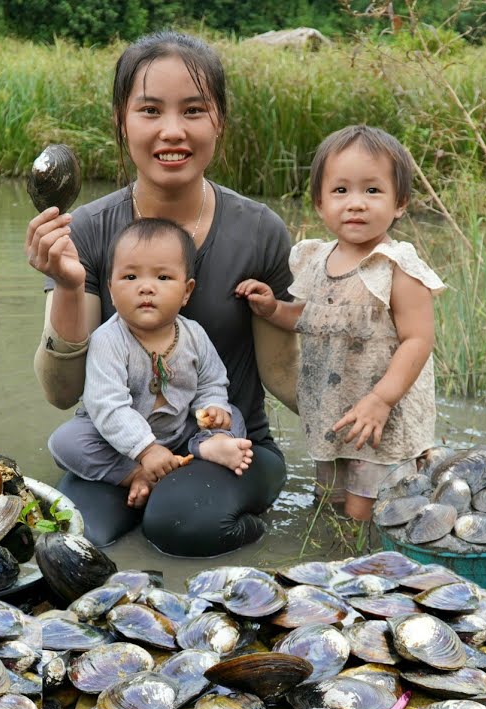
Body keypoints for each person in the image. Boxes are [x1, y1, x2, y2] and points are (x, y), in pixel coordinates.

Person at [25, 31, 298, 555]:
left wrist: (367, 412)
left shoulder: (259, 230)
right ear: (121, 121)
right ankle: (143, 478)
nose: (172, 131)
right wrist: (67, 285)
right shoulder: (85, 229)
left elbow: (282, 372)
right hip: (120, 443)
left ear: (219, 121)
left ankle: (230, 515)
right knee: (75, 541)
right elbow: (62, 393)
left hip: (226, 446)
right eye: (150, 110)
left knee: (178, 526)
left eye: (194, 110)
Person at [236, 125, 445, 521]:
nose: (356, 204)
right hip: (333, 416)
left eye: (372, 191)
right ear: (319, 203)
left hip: (382, 419)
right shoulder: (317, 259)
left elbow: (418, 340)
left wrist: (381, 400)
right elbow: (317, 320)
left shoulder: (398, 267)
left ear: (399, 203)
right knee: (328, 506)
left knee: (365, 512)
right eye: (340, 191)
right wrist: (274, 310)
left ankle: (368, 569)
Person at [46, 218, 255, 509]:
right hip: (118, 440)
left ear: (186, 291)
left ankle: (208, 446)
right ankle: (135, 475)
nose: (146, 288)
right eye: (130, 278)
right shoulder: (109, 340)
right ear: (111, 290)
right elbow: (107, 405)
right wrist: (145, 450)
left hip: (180, 430)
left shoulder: (193, 334)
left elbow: (211, 381)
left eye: (163, 278)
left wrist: (213, 408)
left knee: (233, 414)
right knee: (65, 442)